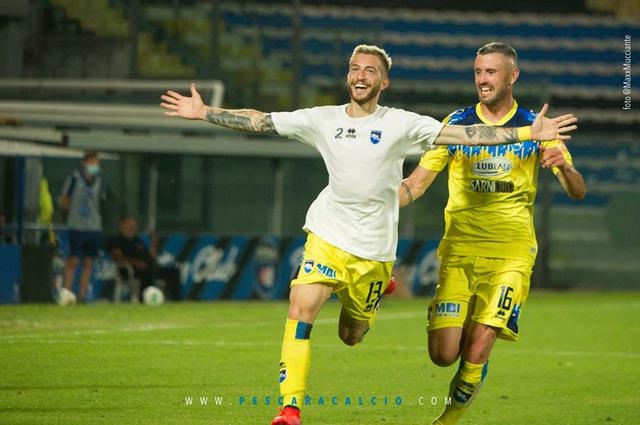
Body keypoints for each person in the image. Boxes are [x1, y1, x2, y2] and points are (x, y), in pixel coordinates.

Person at [160, 44, 577, 425]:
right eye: (354, 68)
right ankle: (290, 408)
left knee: (357, 335)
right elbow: (261, 121)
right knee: (305, 306)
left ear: (384, 81)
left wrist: (531, 137)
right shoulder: (321, 118)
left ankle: (417, 372)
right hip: (335, 234)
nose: (360, 76)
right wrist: (205, 113)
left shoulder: (402, 124)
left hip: (413, 251)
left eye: (370, 70)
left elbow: (470, 137)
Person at [399, 42, 586, 425]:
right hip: (459, 252)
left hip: (512, 254)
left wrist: (563, 168)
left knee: (481, 340)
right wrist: (374, 200)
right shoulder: (457, 124)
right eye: (478, 72)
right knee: (444, 354)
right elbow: (415, 185)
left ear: (512, 76)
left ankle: (449, 418)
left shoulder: (538, 126)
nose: (482, 80)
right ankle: (469, 351)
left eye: (490, 72)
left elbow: (577, 190)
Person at [60, 151, 105, 302]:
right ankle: (66, 292)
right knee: (73, 260)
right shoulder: (74, 179)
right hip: (77, 225)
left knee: (88, 261)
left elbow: (103, 201)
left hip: (94, 226)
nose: (94, 166)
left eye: (96, 164)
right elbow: (64, 200)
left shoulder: (100, 180)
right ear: (84, 163)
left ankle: (82, 295)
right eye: (92, 163)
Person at [106, 215, 181, 301]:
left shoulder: (138, 241)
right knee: (149, 272)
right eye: (129, 225)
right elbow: (117, 257)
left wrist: (154, 244)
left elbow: (150, 257)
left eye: (133, 226)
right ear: (121, 225)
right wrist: (135, 263)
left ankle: (176, 300)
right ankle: (143, 299)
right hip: (130, 269)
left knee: (174, 272)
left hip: (148, 267)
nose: (132, 228)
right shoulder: (116, 240)